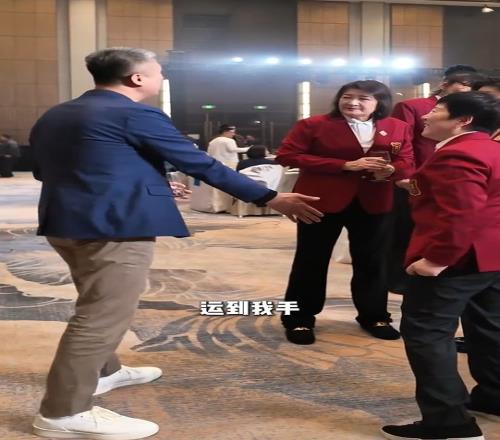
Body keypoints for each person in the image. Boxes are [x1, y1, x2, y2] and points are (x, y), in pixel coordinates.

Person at [29, 47, 323, 440]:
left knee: (99, 302)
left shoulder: (57, 113)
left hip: (65, 221)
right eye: (159, 72)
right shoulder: (136, 113)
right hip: (115, 226)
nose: (162, 77)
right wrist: (270, 197)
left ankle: (105, 372)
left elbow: (50, 169)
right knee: (101, 315)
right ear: (137, 78)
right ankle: (63, 412)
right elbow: (200, 163)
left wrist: (148, 183)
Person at [381, 92, 500, 440]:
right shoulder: (491, 149)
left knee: (427, 334)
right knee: (489, 328)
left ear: (463, 120)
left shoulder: (458, 154)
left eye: (437, 110)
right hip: (492, 257)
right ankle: (493, 397)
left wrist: (436, 259)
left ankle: (450, 424)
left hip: (457, 259)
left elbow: (460, 214)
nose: (426, 116)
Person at [276, 80, 415, 345]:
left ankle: (374, 316)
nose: (353, 102)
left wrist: (392, 170)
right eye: (347, 97)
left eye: (363, 98)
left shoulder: (398, 127)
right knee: (310, 260)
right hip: (320, 200)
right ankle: (298, 318)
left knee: (373, 261)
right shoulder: (313, 124)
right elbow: (287, 155)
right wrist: (344, 165)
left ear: (379, 103)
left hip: (375, 200)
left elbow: (406, 161)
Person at [388, 66, 484, 295]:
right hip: (415, 180)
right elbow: (401, 143)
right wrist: (407, 175)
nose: (467, 89)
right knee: (406, 232)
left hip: (452, 180)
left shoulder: (477, 116)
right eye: (463, 85)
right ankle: (401, 278)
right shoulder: (414, 106)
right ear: (445, 84)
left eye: (471, 87)